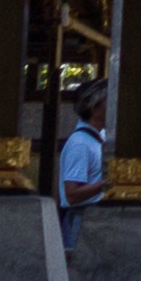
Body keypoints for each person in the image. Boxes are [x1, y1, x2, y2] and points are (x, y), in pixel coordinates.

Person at [51, 95, 107, 252]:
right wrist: (108, 185)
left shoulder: (100, 137)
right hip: (81, 220)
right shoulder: (80, 144)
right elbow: (72, 194)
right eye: (108, 100)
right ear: (94, 107)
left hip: (96, 219)